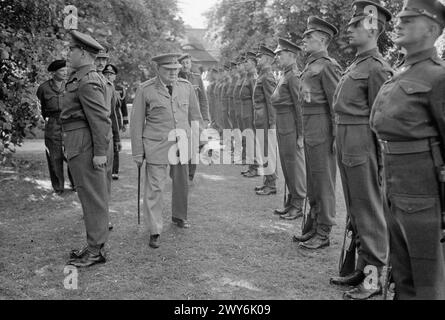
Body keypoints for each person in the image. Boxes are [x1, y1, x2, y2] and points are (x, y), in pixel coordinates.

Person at [370, 0, 445, 300]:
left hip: (422, 193)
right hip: (395, 188)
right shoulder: (401, 72)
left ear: (431, 29)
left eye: (409, 19)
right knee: (402, 277)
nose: (399, 23)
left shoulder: (438, 77)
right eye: (400, 18)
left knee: (426, 283)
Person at [330, 0, 393, 300]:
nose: (350, 29)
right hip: (345, 138)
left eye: (356, 25)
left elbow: (382, 118)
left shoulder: (377, 68)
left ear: (372, 28)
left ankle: (373, 279)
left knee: (368, 210)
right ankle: (363, 267)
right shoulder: (356, 64)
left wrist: (380, 160)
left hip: (361, 142)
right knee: (355, 211)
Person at [130, 53, 203, 249]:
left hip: (182, 144)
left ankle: (179, 216)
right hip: (157, 146)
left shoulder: (186, 87)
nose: (173, 73)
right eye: (168, 70)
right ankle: (154, 229)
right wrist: (138, 152)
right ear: (158, 70)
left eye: (176, 69)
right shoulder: (145, 89)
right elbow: (136, 124)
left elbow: (195, 115)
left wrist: (198, 138)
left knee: (182, 183)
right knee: (155, 188)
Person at [62, 30, 112, 267]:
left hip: (85, 144)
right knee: (88, 195)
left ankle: (96, 250)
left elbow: (100, 119)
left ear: (82, 52)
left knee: (93, 198)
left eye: (71, 49)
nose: (68, 53)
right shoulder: (79, 77)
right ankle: (93, 245)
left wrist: (100, 153)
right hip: (77, 141)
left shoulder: (88, 79)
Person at [295, 16, 342, 250]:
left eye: (309, 36)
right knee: (313, 182)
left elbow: (336, 104)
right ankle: (313, 226)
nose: (304, 40)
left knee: (324, 182)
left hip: (323, 128)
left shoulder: (328, 65)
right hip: (310, 127)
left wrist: (335, 135)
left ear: (322, 39)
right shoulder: (310, 65)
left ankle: (324, 232)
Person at [271, 38, 307, 220]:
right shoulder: (285, 74)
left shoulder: (293, 76)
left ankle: (298, 204)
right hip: (283, 125)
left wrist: (301, 135)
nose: (277, 57)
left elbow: (299, 107)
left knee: (294, 166)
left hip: (291, 127)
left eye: (280, 54)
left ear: (292, 56)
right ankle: (291, 201)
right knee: (286, 165)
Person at [36, 59, 74, 195]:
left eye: (65, 70)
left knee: (72, 153)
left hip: (69, 122)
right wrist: (43, 120)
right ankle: (58, 187)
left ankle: (75, 184)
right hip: (52, 122)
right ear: (54, 73)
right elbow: (39, 108)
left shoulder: (70, 86)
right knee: (54, 155)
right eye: (62, 71)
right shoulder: (43, 88)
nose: (65, 73)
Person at [178, 54, 210, 182]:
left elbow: (203, 100)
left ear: (190, 64)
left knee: (195, 147)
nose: (185, 65)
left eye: (187, 63)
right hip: (181, 118)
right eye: (183, 63)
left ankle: (190, 175)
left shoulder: (197, 79)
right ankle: (181, 172)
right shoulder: (175, 79)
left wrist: (206, 119)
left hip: (195, 119)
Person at [253, 45, 278, 196]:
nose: (257, 59)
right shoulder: (262, 75)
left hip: (266, 121)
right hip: (261, 120)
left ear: (268, 59)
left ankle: (272, 184)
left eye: (260, 57)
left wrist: (273, 123)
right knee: (263, 152)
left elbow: (272, 102)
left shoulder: (268, 76)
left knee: (268, 152)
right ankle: (267, 181)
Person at [102, 64, 124, 181]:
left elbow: (118, 110)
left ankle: (114, 170)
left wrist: (124, 121)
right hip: (101, 123)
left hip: (113, 122)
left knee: (114, 147)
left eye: (111, 74)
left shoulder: (118, 89)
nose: (108, 76)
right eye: (106, 74)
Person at [240, 52, 259, 177]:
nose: (244, 64)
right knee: (248, 139)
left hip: (251, 114)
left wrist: (254, 117)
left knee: (252, 141)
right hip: (246, 113)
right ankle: (251, 166)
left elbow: (255, 98)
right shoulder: (248, 76)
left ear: (252, 62)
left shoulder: (253, 77)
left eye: (246, 61)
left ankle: (255, 168)